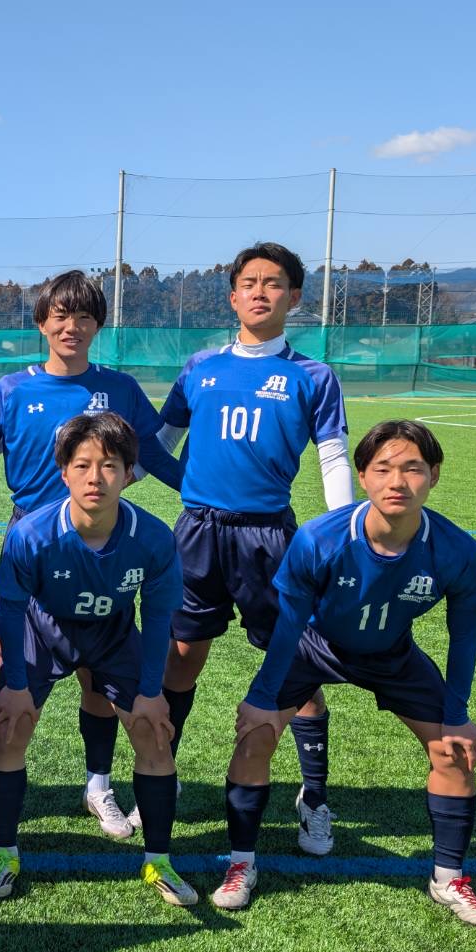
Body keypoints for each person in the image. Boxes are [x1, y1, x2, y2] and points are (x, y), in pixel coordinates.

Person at [0, 270, 182, 840]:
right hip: (31, 540)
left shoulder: (119, 388)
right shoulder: (12, 390)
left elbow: (155, 455)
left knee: (98, 674)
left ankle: (98, 785)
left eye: (85, 316)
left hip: (102, 541)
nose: (72, 326)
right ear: (42, 323)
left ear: (98, 325)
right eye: (61, 315)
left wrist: (198, 489)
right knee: (5, 664)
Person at [217, 420, 476, 927]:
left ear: (434, 475)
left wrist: (457, 715)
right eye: (383, 469)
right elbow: (289, 624)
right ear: (362, 476)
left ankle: (449, 878)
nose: (398, 482)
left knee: (453, 750)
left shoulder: (457, 551)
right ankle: (241, 865)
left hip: (392, 655)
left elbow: (465, 638)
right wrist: (262, 696)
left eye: (413, 468)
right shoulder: (321, 538)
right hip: (313, 647)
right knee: (255, 735)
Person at [155, 243, 355, 856]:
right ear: (233, 296)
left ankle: (314, 797)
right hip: (197, 534)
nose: (260, 292)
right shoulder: (199, 368)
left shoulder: (312, 376)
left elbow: (333, 457)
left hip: (270, 538)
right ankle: (161, 774)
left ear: (294, 297)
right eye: (249, 282)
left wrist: (343, 531)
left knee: (297, 666)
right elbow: (160, 443)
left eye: (273, 283)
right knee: (180, 655)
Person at [0, 413, 187, 904]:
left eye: (110, 465)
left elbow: (158, 616)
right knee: (10, 728)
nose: (96, 477)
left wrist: (152, 691)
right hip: (43, 631)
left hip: (113, 634)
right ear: (64, 472)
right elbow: (10, 610)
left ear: (130, 473)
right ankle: (5, 852)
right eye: (82, 465)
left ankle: (159, 861)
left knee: (153, 733)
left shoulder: (152, 537)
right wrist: (15, 684)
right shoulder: (32, 534)